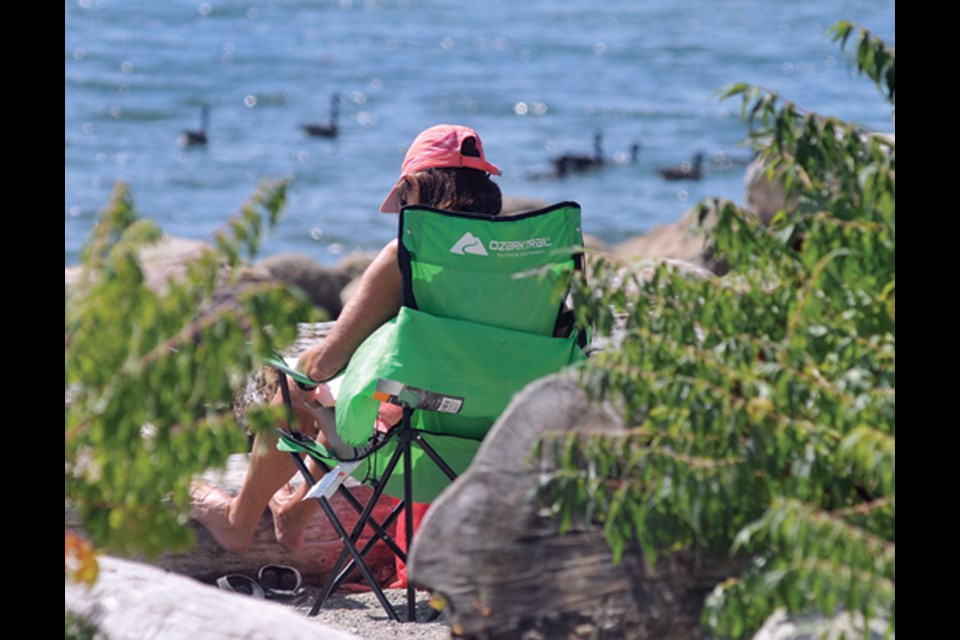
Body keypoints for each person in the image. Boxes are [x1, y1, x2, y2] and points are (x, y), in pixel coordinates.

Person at [190, 124, 503, 555]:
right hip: (499, 437)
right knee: (347, 390)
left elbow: (325, 361)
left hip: (413, 441)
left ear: (412, 187)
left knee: (303, 379)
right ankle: (295, 512)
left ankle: (238, 519)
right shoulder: (527, 262)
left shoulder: (406, 258)